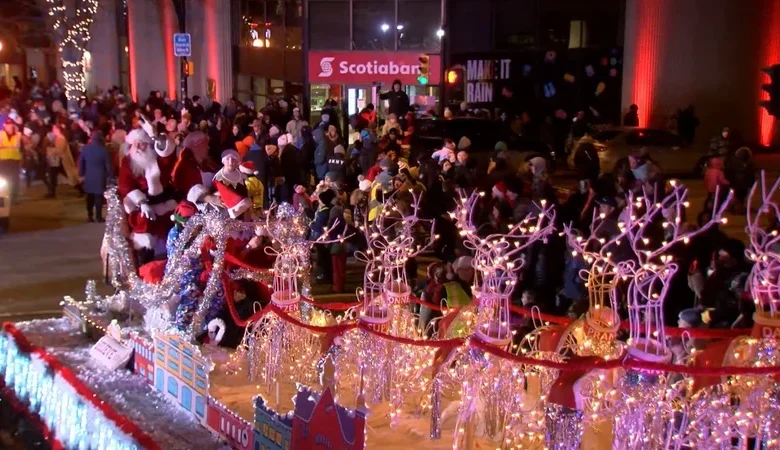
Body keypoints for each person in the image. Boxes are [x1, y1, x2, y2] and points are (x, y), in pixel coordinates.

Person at [117, 125, 178, 261]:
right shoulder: (128, 162)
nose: (138, 147)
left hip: (163, 202)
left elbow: (168, 153)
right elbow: (125, 185)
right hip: (141, 205)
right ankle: (146, 258)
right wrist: (142, 202)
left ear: (149, 146)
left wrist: (157, 137)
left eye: (141, 144)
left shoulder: (158, 160)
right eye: (134, 144)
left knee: (170, 226)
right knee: (144, 223)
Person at [78, 130, 112, 222]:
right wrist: (110, 176)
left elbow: (81, 162)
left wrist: (81, 174)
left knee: (89, 196)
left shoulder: (86, 148)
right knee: (98, 197)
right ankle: (98, 216)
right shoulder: (104, 150)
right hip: (100, 176)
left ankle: (90, 215)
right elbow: (108, 166)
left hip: (88, 175)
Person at [45, 124, 79, 198]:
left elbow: (60, 150)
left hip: (62, 161)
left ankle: (80, 189)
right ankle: (52, 192)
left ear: (58, 130)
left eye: (54, 129)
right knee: (54, 175)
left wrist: (51, 151)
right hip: (59, 161)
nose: (53, 130)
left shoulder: (61, 139)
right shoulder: (58, 138)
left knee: (67, 176)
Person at [0, 119, 21, 203]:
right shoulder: (1, 134)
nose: (10, 126)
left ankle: (14, 198)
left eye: (11, 124)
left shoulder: (18, 134)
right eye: (8, 124)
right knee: (4, 179)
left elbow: (18, 146)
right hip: (3, 160)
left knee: (15, 180)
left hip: (15, 160)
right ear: (4, 125)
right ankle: (4, 197)